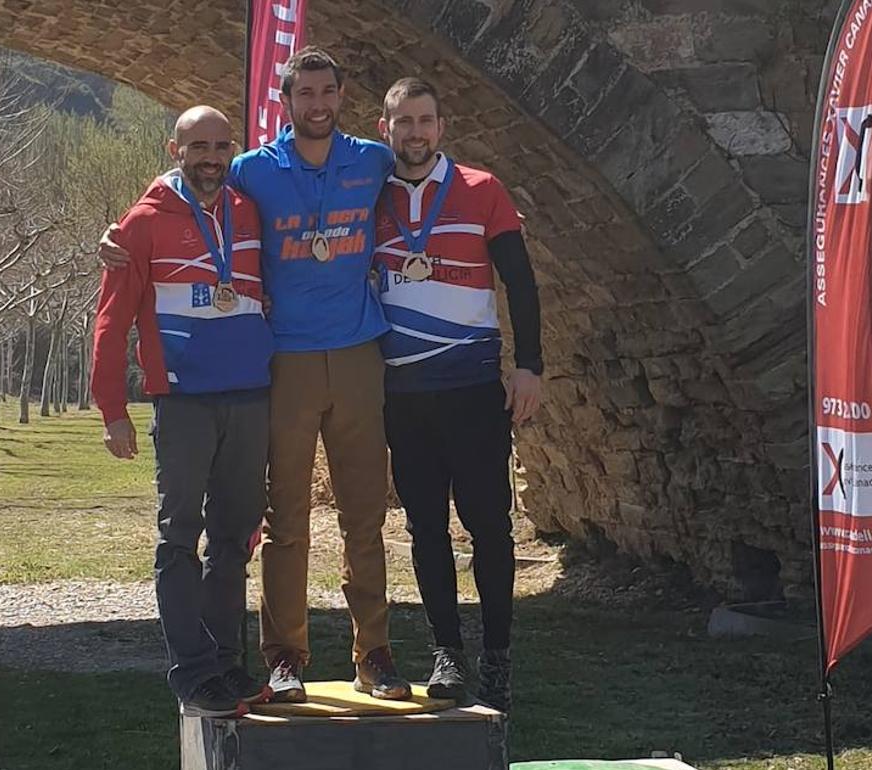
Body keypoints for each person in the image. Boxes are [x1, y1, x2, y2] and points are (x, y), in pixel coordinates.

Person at [99, 48, 412, 704]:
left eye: (328, 92)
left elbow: (423, 167)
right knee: (282, 520)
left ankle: (373, 653)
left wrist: (498, 230)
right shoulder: (251, 172)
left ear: (343, 96)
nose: (318, 104)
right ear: (287, 102)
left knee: (361, 515)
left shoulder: (373, 159)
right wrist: (120, 237)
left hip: (353, 352)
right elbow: (186, 183)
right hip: (280, 365)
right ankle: (283, 658)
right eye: (306, 93)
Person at [91, 106, 274, 718]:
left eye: (222, 145)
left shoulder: (249, 211)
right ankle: (192, 670)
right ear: (175, 149)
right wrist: (112, 408)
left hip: (248, 395)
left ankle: (226, 661)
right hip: (184, 400)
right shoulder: (142, 224)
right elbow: (112, 319)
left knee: (234, 537)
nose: (211, 157)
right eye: (199, 145)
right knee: (179, 538)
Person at [373, 77, 543, 713]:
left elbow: (520, 282)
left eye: (425, 120)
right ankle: (447, 652)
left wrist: (530, 366)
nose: (414, 133)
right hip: (403, 394)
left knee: (490, 528)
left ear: (441, 126)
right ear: (384, 126)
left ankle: (498, 655)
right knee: (424, 528)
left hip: (473, 390)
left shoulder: (481, 189)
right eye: (403, 121)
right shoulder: (370, 195)